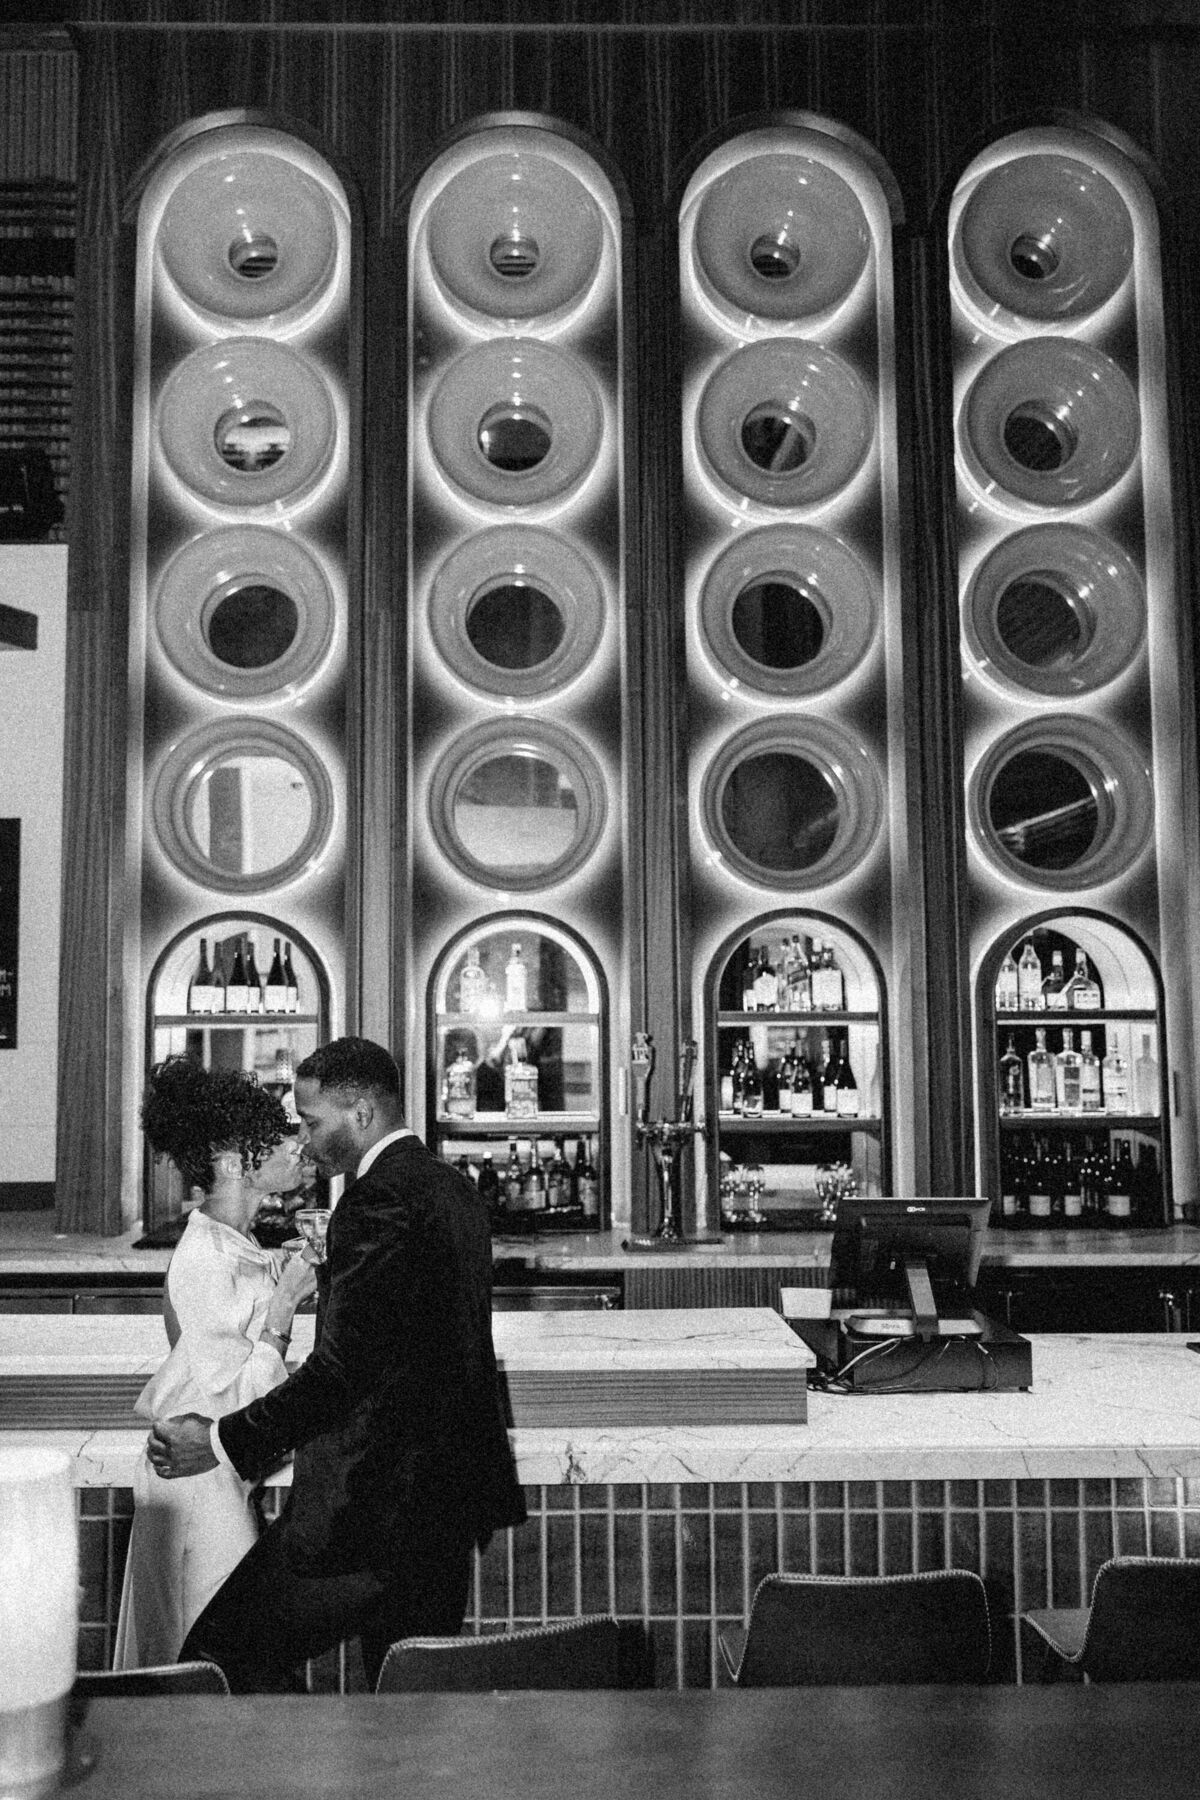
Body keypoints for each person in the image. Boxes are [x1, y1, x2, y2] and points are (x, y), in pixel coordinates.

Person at [147, 1036, 526, 1693]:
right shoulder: (452, 1189)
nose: (305, 1138)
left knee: (221, 1654)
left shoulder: (373, 1202)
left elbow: (340, 1375)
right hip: (449, 1501)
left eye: (313, 1121)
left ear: (360, 1114)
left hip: (370, 1513)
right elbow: (417, 1346)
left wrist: (216, 1441)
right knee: (405, 1694)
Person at [114, 1056, 317, 1669]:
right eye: (282, 1138)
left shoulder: (233, 1245)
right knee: (209, 1658)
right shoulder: (202, 1257)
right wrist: (282, 1309)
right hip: (196, 1482)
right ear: (233, 1162)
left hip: (216, 1475)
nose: (299, 1145)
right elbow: (229, 1400)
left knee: (219, 1652)